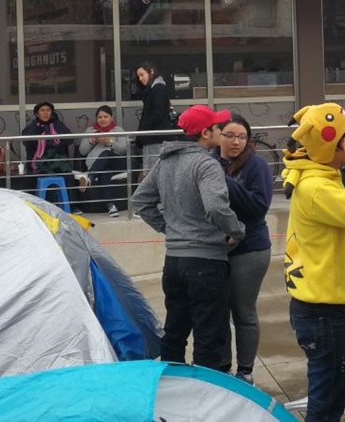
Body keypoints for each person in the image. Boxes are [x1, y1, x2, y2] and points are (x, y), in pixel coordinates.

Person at [281, 103, 345, 422]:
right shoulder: (317, 187)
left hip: (320, 305)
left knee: (330, 393)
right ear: (332, 146)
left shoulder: (314, 173)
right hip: (326, 310)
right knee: (328, 401)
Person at [132, 105, 244, 371]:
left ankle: (173, 388)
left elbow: (140, 201)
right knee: (209, 336)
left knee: (175, 330)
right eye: (218, 128)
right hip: (206, 261)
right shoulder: (206, 163)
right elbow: (216, 206)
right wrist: (236, 230)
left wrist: (170, 228)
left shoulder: (165, 161)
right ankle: (206, 395)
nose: (222, 132)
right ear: (206, 133)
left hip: (174, 261)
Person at [212, 113, 273, 384]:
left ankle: (245, 370)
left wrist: (223, 182)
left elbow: (258, 207)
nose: (236, 142)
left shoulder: (256, 166)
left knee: (243, 311)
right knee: (218, 311)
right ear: (217, 136)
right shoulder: (208, 162)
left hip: (250, 249)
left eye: (242, 137)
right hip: (214, 249)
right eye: (229, 136)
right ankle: (222, 367)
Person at [78, 105, 130, 217]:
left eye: (105, 116)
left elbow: (124, 149)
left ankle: (89, 178)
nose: (102, 119)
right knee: (105, 172)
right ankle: (111, 206)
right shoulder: (90, 131)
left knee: (106, 153)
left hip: (116, 162)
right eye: (99, 117)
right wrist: (91, 142)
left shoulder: (118, 130)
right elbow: (82, 151)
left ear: (111, 117)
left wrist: (109, 142)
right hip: (97, 165)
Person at [133, 63, 176, 170]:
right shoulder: (157, 88)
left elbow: (158, 113)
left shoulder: (157, 89)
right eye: (139, 76)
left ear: (151, 71)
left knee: (153, 170)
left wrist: (144, 128)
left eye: (142, 75)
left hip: (155, 138)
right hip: (154, 137)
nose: (140, 79)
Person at [21, 101, 72, 177]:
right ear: (37, 114)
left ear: (51, 112)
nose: (45, 113)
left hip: (58, 162)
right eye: (42, 110)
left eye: (48, 110)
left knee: (67, 175)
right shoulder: (32, 127)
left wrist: (56, 124)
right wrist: (38, 130)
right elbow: (27, 142)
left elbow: (69, 140)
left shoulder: (58, 124)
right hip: (39, 163)